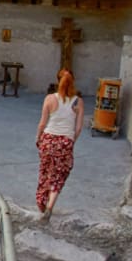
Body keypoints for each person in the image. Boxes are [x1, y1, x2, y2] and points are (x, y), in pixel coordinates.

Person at [35, 68, 84, 219]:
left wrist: (38, 137)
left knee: (45, 171)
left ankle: (41, 203)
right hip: (65, 141)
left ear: (58, 81)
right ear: (73, 82)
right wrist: (70, 141)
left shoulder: (49, 99)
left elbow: (42, 124)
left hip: (48, 139)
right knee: (59, 174)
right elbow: (79, 127)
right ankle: (50, 206)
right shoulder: (78, 101)